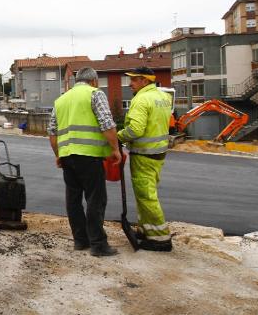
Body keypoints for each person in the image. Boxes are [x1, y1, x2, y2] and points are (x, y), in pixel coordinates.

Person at [48, 67, 121, 257]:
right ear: (94, 81)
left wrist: (58, 154)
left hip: (67, 156)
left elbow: (52, 132)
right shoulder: (95, 94)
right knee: (95, 199)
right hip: (89, 156)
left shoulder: (61, 99)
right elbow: (106, 123)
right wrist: (115, 149)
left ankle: (80, 241)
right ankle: (98, 244)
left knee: (73, 200)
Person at [118, 66, 173, 252]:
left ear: (145, 81)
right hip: (158, 154)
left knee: (146, 196)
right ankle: (146, 229)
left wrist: (118, 136)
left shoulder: (141, 99)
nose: (130, 83)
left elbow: (135, 130)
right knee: (146, 193)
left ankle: (160, 238)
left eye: (134, 79)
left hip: (144, 155)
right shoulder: (163, 97)